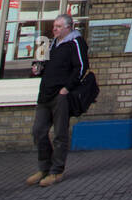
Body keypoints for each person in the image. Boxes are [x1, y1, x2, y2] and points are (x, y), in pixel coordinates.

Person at [27, 13, 89, 187]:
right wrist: (36, 68)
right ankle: (44, 167)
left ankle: (56, 171)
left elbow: (82, 67)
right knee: (38, 130)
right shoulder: (49, 43)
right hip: (44, 94)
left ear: (69, 27)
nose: (55, 29)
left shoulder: (76, 43)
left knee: (60, 134)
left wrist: (66, 89)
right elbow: (41, 64)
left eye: (59, 26)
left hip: (60, 95)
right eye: (54, 26)